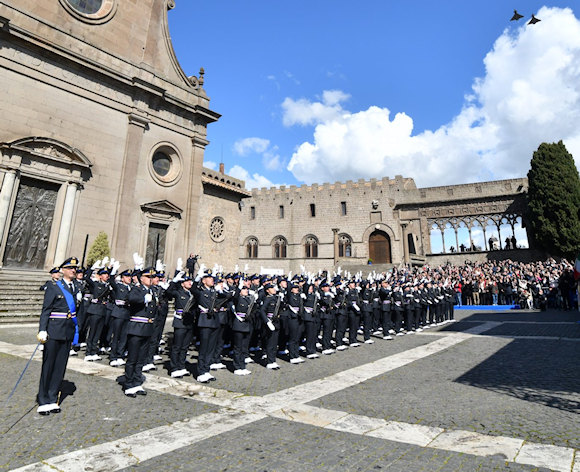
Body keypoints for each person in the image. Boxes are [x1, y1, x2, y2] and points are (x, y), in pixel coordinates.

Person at [36, 257, 82, 415]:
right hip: (54, 331)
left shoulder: (76, 287)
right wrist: (43, 329)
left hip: (67, 332)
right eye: (70, 268)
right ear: (62, 270)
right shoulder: (54, 286)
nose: (73, 270)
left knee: (60, 367)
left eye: (75, 268)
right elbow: (46, 310)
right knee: (48, 366)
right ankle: (43, 400)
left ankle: (52, 398)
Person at [123, 267, 158, 397]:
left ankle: (137, 382)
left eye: (152, 277)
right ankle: (129, 384)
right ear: (141, 278)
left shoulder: (152, 291)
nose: (150, 279)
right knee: (132, 357)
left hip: (147, 328)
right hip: (137, 327)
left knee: (141, 358)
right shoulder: (137, 289)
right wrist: (144, 299)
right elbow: (130, 299)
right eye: (148, 277)